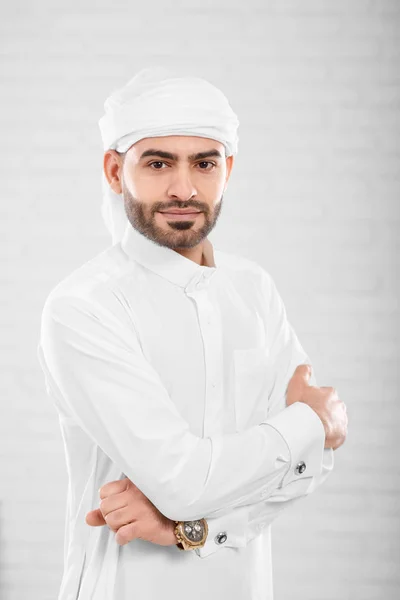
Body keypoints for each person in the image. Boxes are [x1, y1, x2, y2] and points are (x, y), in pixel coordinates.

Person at [37, 66, 347, 600]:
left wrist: (189, 530)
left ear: (227, 169)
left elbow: (310, 468)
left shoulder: (253, 289)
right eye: (158, 163)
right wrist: (311, 422)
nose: (184, 188)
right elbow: (184, 481)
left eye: (204, 164)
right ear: (115, 172)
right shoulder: (84, 307)